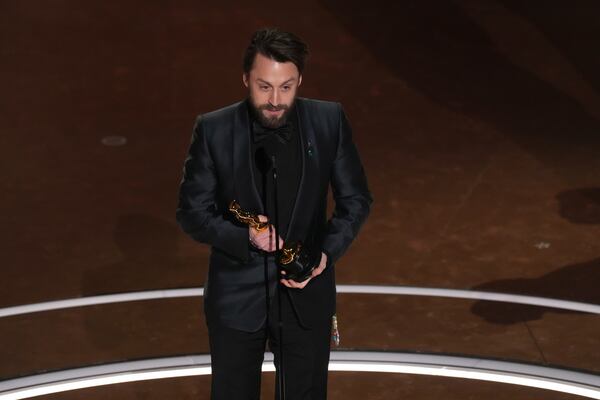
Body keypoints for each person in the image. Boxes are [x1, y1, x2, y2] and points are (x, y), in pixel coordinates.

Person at [176, 27, 372, 400]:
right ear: (246, 78)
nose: (275, 100)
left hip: (305, 294)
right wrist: (244, 236)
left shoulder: (328, 121)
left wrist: (324, 256)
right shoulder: (214, 129)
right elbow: (191, 212)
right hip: (236, 299)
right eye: (264, 86)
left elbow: (356, 199)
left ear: (300, 80)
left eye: (286, 87)